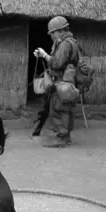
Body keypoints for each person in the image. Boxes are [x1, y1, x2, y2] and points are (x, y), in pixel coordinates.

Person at [33, 16, 80, 147]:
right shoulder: (70, 42)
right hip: (66, 82)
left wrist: (44, 55)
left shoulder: (65, 44)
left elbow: (57, 63)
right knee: (65, 109)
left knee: (59, 109)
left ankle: (62, 138)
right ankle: (65, 136)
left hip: (62, 82)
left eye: (53, 32)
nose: (52, 35)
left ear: (60, 30)